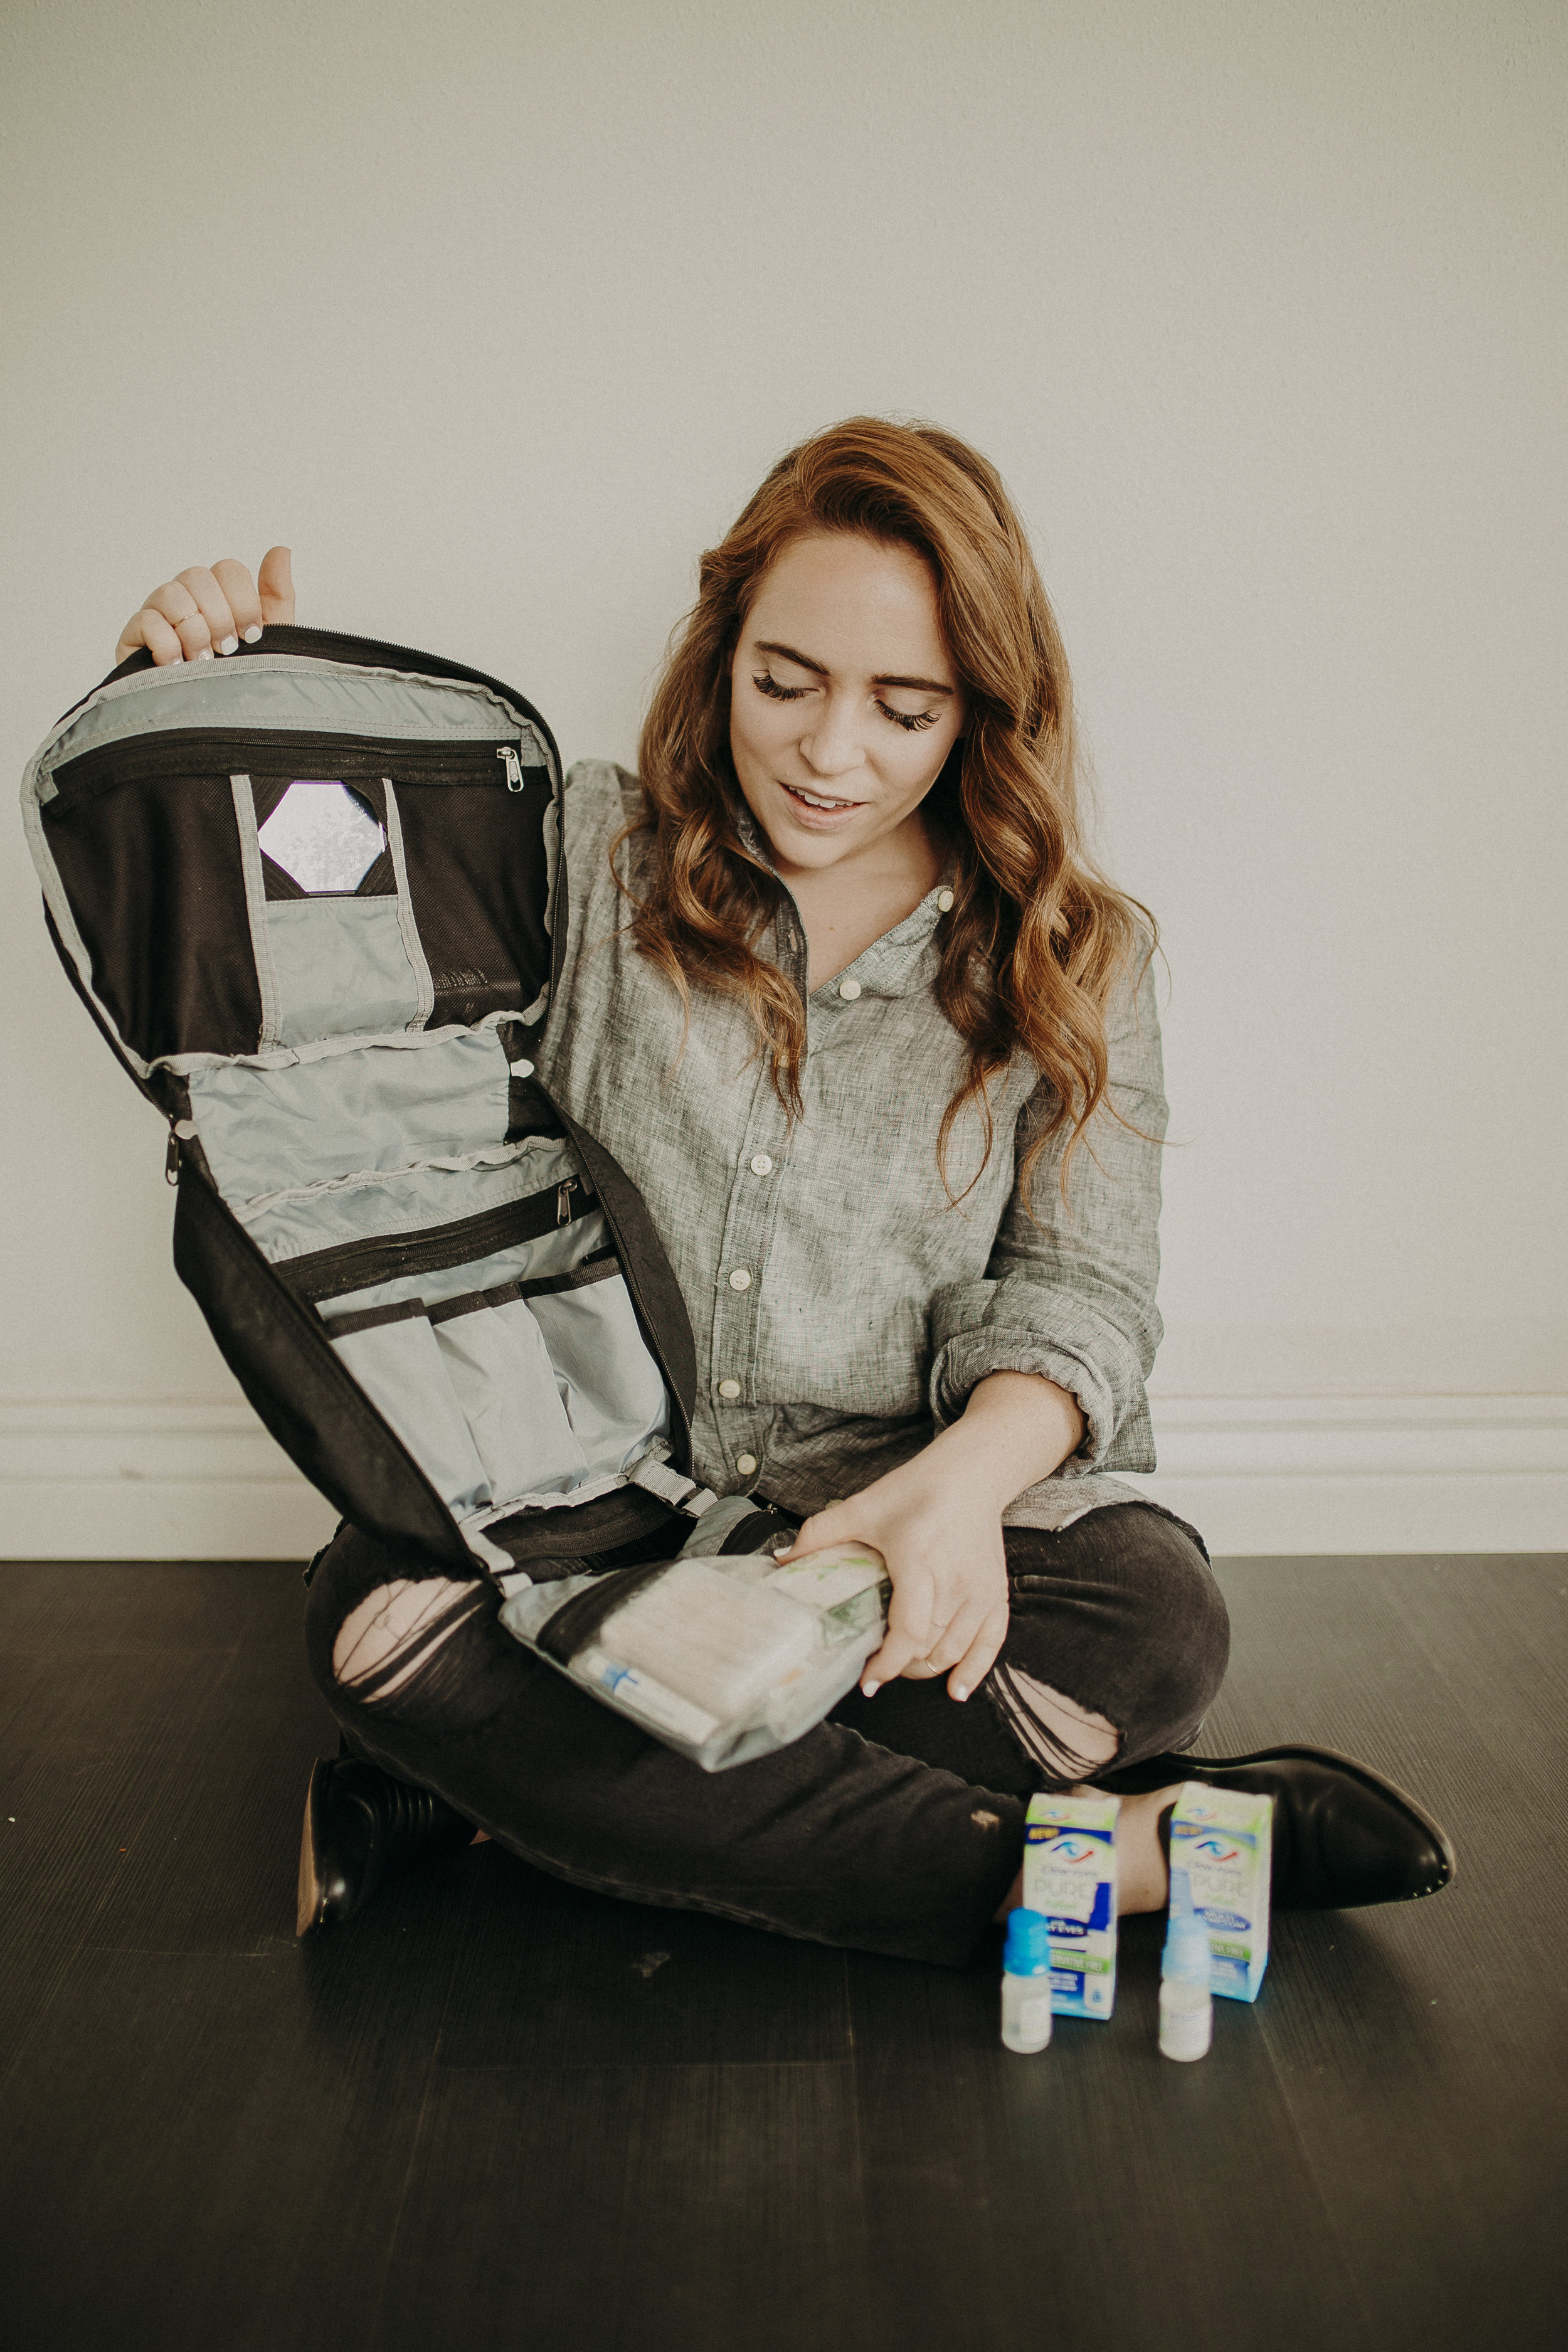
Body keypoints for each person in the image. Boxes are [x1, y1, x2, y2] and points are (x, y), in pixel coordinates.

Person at [113, 418, 1453, 1964]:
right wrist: (193, 699)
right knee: (375, 1612)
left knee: (1153, 1624)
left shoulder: (1082, 953)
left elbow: (1085, 1293)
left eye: (903, 708)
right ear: (721, 649)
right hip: (589, 1508)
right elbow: (302, 945)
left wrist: (948, 1499)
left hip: (895, 1517)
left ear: (983, 712)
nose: (829, 754)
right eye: (784, 682)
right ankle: (1069, 1866)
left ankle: (489, 1800)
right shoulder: (579, 850)